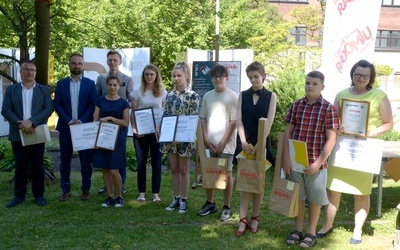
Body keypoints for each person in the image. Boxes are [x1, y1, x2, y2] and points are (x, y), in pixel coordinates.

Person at [317, 60, 393, 244]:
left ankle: (357, 231)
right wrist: (338, 127)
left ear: (370, 78)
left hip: (365, 150)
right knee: (333, 190)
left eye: (365, 76)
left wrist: (369, 133)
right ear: (352, 75)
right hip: (342, 147)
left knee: (362, 192)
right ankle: (327, 225)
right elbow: (332, 120)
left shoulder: (379, 96)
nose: (360, 78)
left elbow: (388, 123)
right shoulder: (342, 94)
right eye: (357, 74)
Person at [283, 71, 339, 248]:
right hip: (296, 161)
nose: (310, 86)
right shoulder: (297, 105)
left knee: (314, 200)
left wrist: (318, 162)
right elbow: (287, 133)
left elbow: (331, 139)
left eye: (315, 84)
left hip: (316, 162)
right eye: (308, 83)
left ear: (322, 86)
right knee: (298, 198)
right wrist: (286, 159)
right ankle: (297, 229)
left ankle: (311, 232)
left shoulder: (328, 109)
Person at [1, 61, 53, 208]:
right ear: (21, 72)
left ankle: (39, 195)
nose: (30, 72)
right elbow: (5, 110)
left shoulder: (43, 90)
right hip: (18, 133)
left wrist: (31, 122)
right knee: (20, 166)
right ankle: (19, 195)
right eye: (26, 69)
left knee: (37, 165)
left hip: (36, 132)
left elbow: (48, 108)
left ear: (35, 72)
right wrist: (22, 124)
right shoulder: (12, 89)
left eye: (32, 70)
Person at [234, 61, 277, 236]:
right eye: (250, 77)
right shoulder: (242, 95)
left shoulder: (271, 96)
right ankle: (242, 219)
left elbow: (269, 122)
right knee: (245, 183)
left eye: (256, 77)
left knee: (258, 183)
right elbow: (239, 120)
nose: (253, 80)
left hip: (262, 144)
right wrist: (243, 141)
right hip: (245, 144)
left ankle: (255, 217)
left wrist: (259, 144)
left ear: (263, 76)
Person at [197, 64, 238, 221]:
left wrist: (222, 142)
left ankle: (227, 207)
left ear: (227, 78)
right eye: (215, 76)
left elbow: (233, 122)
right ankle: (210, 203)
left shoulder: (233, 97)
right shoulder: (207, 96)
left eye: (221, 76)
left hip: (226, 144)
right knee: (209, 171)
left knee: (227, 173)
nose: (218, 78)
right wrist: (205, 138)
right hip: (209, 142)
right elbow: (202, 119)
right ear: (212, 78)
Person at [54, 54, 97, 201]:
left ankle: (85, 190)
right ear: (69, 65)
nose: (77, 66)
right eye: (74, 63)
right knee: (65, 161)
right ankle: (65, 190)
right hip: (66, 128)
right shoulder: (61, 84)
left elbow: (93, 105)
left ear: (83, 65)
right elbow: (57, 104)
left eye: (79, 63)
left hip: (84, 128)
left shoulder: (90, 84)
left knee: (85, 162)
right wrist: (69, 120)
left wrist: (81, 120)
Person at [163, 62, 200, 214]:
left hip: (185, 138)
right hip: (170, 139)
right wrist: (163, 130)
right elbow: (166, 115)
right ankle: (176, 198)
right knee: (174, 169)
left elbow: (193, 119)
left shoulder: (193, 96)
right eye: (174, 76)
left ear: (186, 76)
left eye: (179, 75)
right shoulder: (169, 96)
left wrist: (181, 135)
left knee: (184, 170)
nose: (176, 78)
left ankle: (184, 199)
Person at [96, 50, 134, 194]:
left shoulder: (127, 79)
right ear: (107, 62)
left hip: (120, 124)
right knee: (106, 154)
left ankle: (121, 184)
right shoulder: (101, 79)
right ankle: (108, 186)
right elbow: (97, 97)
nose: (112, 62)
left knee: (119, 155)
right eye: (110, 60)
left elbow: (131, 99)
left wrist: (121, 107)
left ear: (120, 62)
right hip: (104, 125)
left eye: (115, 60)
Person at [131, 64, 167, 202]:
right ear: (143, 76)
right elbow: (133, 112)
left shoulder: (163, 92)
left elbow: (164, 112)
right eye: (146, 74)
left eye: (152, 74)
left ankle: (155, 193)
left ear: (156, 75)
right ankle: (141, 192)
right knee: (141, 163)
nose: (149, 77)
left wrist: (162, 128)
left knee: (156, 163)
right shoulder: (137, 92)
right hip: (141, 133)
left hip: (157, 133)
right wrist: (134, 128)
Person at [93, 75, 129, 207]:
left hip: (116, 139)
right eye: (110, 85)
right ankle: (110, 196)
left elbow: (126, 123)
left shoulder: (123, 103)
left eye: (115, 85)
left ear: (119, 86)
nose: (112, 87)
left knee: (114, 170)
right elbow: (95, 119)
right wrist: (94, 139)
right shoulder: (100, 101)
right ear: (106, 85)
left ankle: (119, 196)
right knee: (106, 169)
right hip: (102, 137)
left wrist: (111, 118)